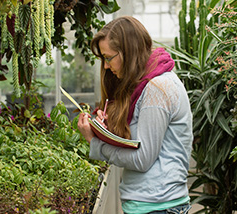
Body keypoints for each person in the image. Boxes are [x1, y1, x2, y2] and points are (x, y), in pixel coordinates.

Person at [77, 16, 193, 214]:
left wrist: (95, 144)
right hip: (150, 205)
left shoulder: (158, 88)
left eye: (108, 57)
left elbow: (142, 159)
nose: (105, 66)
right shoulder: (147, 85)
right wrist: (105, 130)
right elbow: (139, 143)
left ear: (128, 53)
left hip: (159, 207)